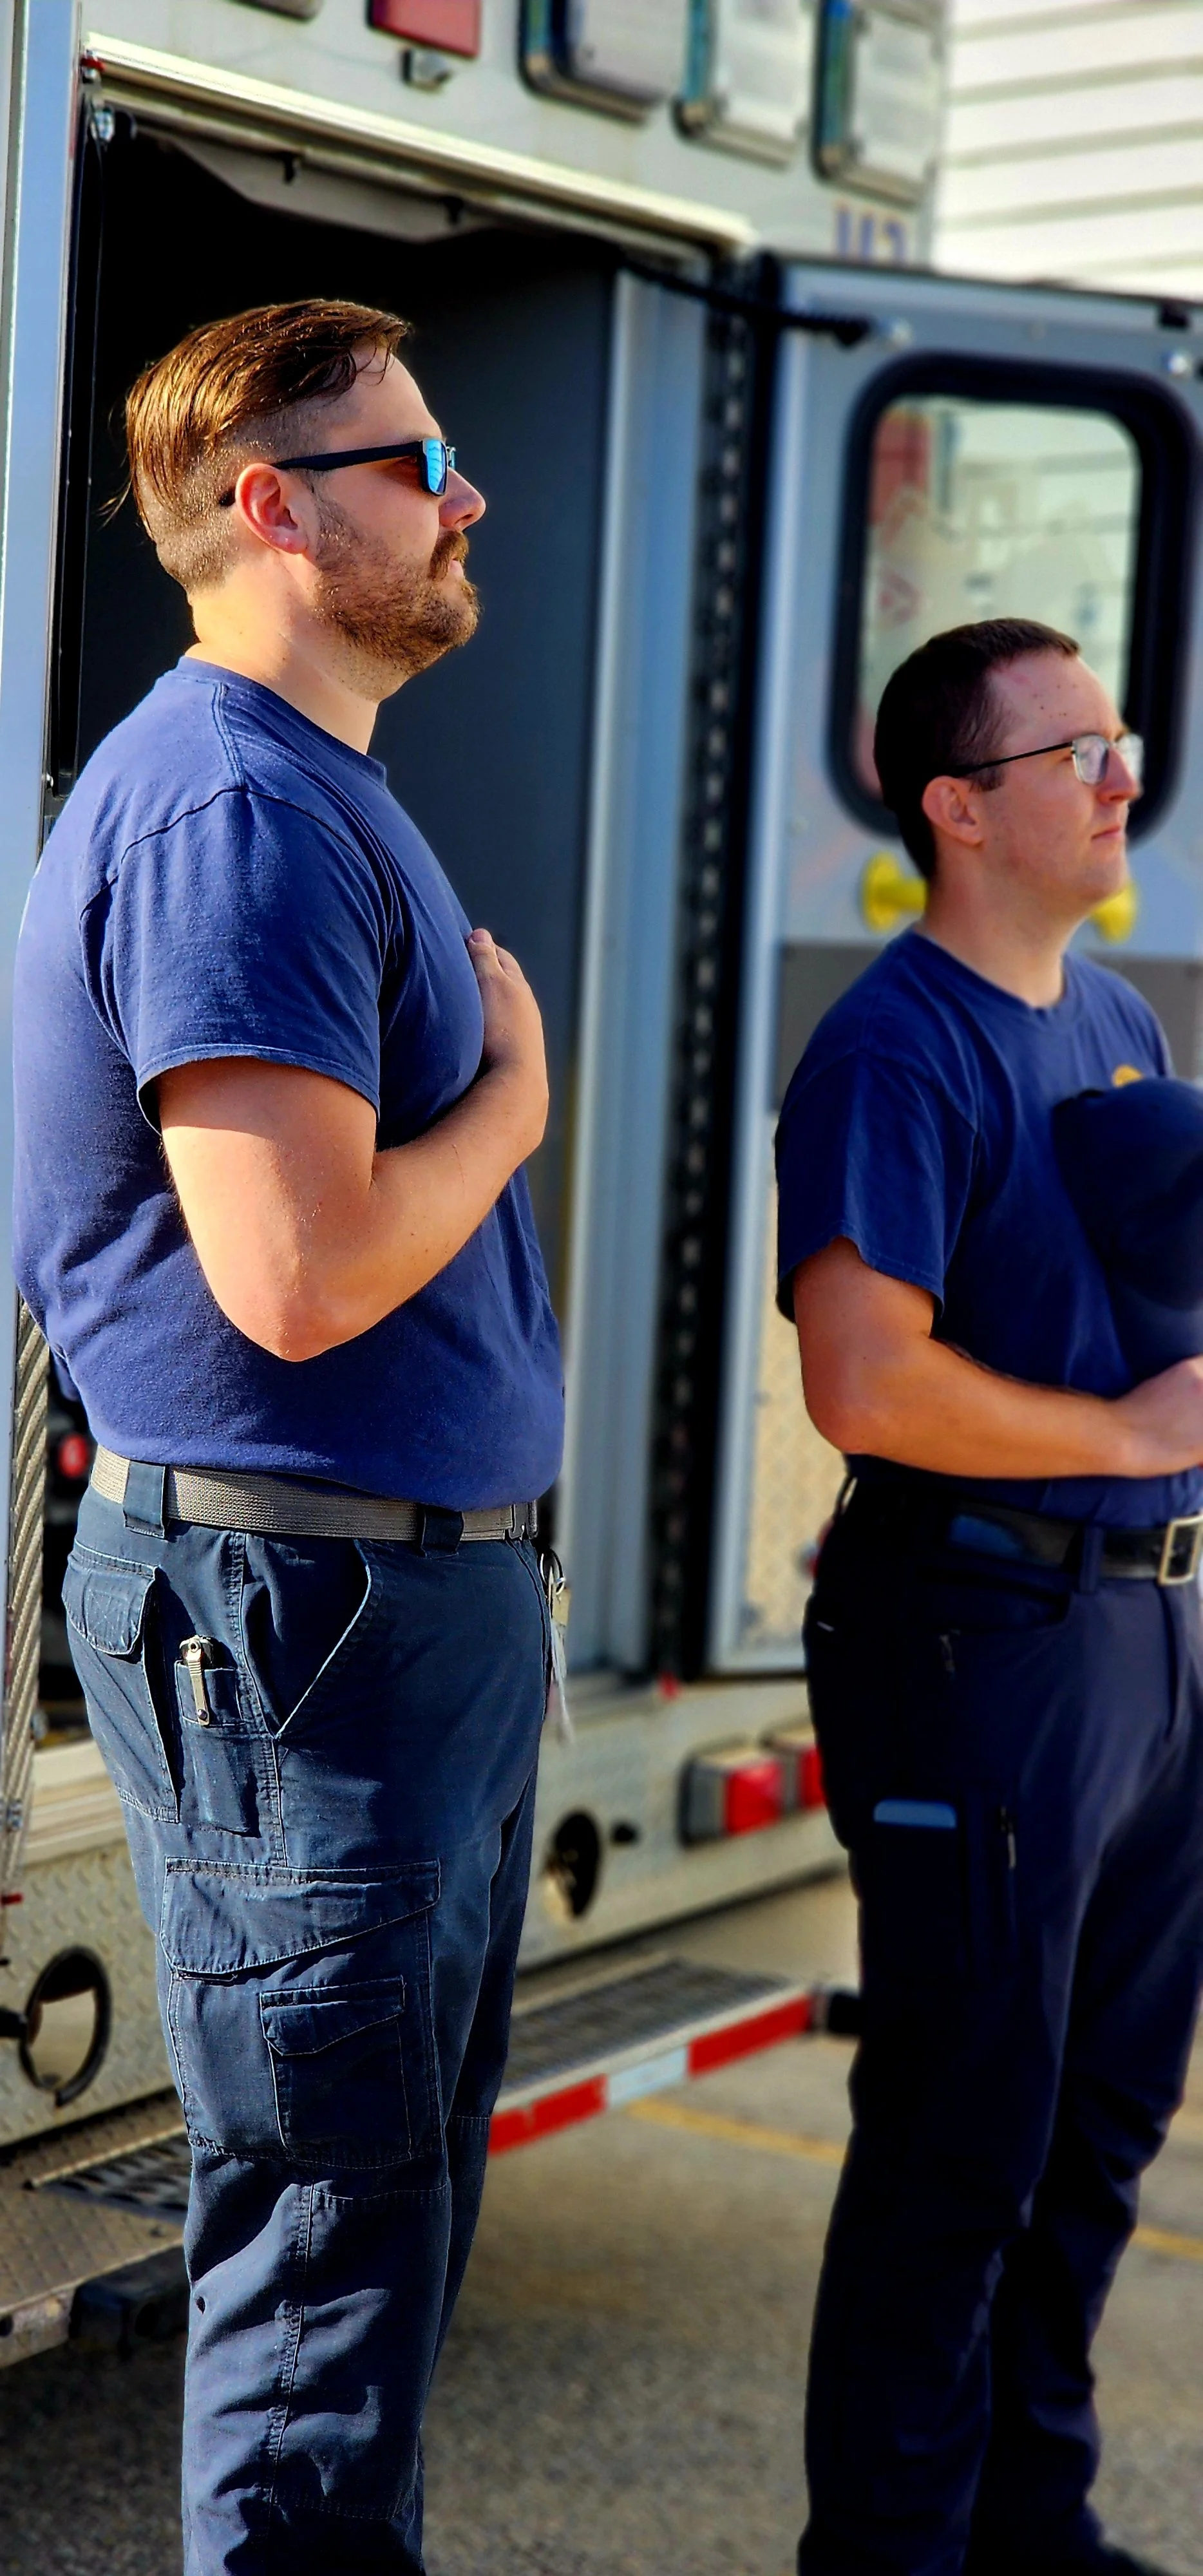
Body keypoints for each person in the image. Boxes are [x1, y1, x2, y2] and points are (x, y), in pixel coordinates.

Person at [12, 298, 562, 2576]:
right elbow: (300, 1279)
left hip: (380, 1606)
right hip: (303, 1612)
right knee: (325, 2264)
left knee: (372, 2226)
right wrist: (519, 1095)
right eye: (413, 459)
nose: (465, 495)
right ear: (270, 505)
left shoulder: (308, 782)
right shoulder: (238, 804)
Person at [777, 618, 1203, 2576]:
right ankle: (890, 2555)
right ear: (958, 809)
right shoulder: (893, 1045)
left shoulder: (1114, 1017)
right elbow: (864, 1377)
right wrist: (1127, 1440)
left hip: (1144, 1642)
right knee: (961, 2142)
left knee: (1094, 2129)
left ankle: (1030, 2523)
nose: (1123, 777)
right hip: (977, 1638)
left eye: (1118, 744)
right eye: (1078, 753)